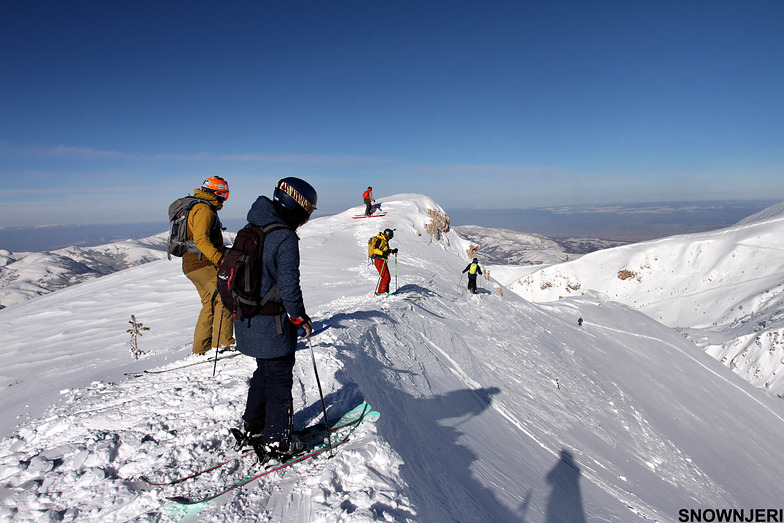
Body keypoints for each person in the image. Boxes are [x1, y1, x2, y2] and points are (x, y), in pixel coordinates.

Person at [233, 177, 317, 462]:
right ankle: (277, 442)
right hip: (272, 324)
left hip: (247, 320)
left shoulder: (252, 226)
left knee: (263, 374)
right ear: (300, 206)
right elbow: (289, 285)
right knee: (279, 379)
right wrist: (299, 317)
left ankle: (253, 428)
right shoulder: (283, 236)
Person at [183, 176, 234, 355]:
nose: (224, 199)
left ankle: (200, 349)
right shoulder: (204, 209)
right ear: (217, 192)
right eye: (224, 194)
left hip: (192, 264)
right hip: (201, 264)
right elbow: (201, 240)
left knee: (209, 303)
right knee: (224, 296)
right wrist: (220, 259)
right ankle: (222, 344)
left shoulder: (200, 206)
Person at [369, 228, 397, 294]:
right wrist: (383, 253)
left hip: (382, 260)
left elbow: (385, 250)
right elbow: (375, 250)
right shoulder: (379, 240)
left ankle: (385, 292)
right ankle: (382, 293)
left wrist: (392, 251)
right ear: (387, 235)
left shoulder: (384, 241)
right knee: (386, 276)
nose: (390, 239)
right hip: (378, 260)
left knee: (386, 277)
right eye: (390, 237)